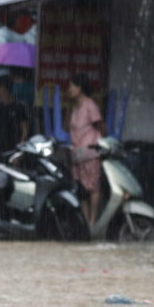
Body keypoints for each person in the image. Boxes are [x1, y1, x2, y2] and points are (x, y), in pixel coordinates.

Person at [66, 73, 105, 228]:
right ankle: (86, 222)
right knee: (81, 189)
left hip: (90, 152)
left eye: (71, 86)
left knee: (93, 187)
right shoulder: (74, 107)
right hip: (77, 154)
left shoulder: (90, 105)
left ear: (79, 88)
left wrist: (101, 144)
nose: (69, 90)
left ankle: (93, 220)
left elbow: (101, 126)